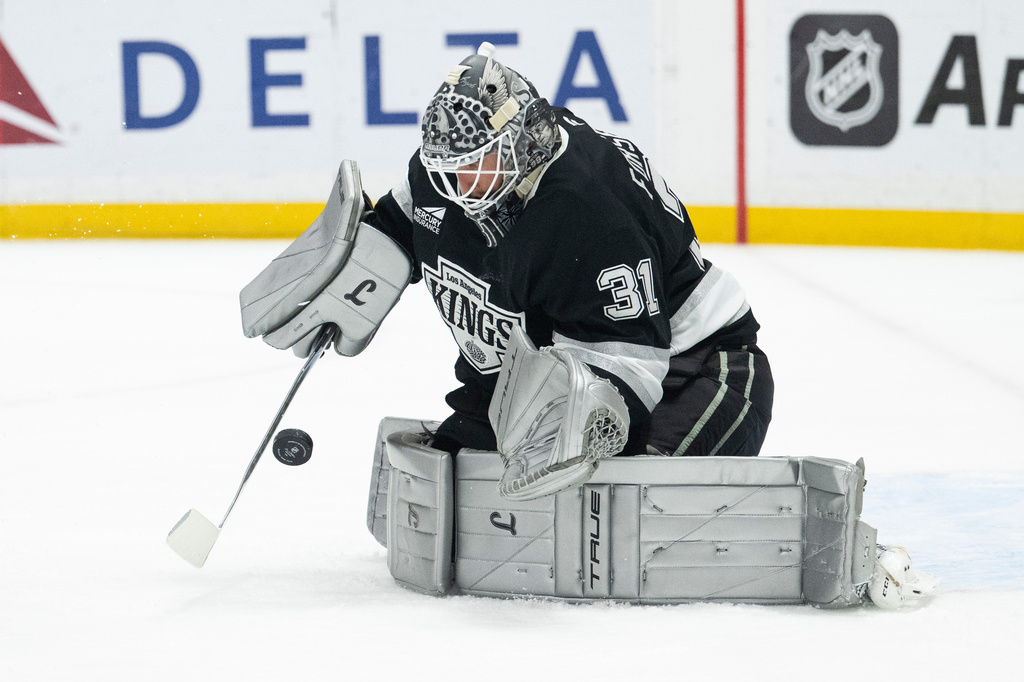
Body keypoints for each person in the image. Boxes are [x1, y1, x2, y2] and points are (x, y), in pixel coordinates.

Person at [355, 42, 773, 498]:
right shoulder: (448, 179)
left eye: (478, 164)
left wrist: (558, 436)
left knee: (622, 500)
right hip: (564, 364)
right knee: (471, 473)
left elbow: (626, 369)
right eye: (450, 168)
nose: (460, 186)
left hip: (698, 369)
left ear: (523, 141)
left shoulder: (589, 209)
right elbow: (402, 224)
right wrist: (358, 255)